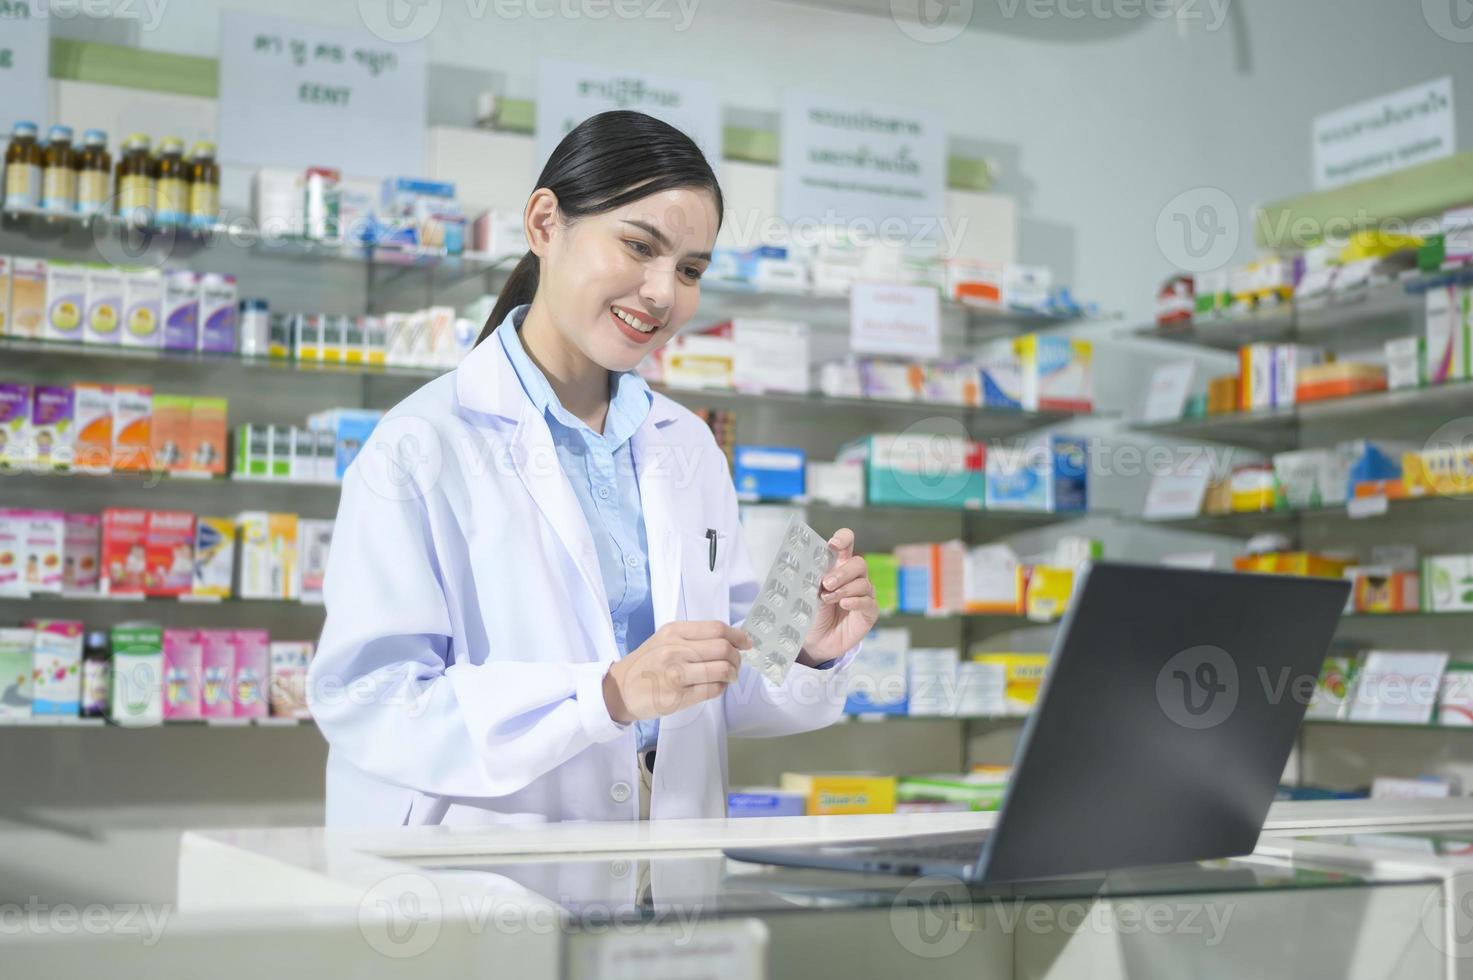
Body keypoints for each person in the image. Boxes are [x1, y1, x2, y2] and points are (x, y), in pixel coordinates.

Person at [308, 111, 879, 827]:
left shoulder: (687, 446)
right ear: (545, 224)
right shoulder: (420, 445)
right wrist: (604, 696)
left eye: (690, 270)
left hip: (667, 849)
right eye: (640, 246)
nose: (664, 293)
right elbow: (372, 702)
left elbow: (713, 683)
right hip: (491, 875)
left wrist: (805, 652)